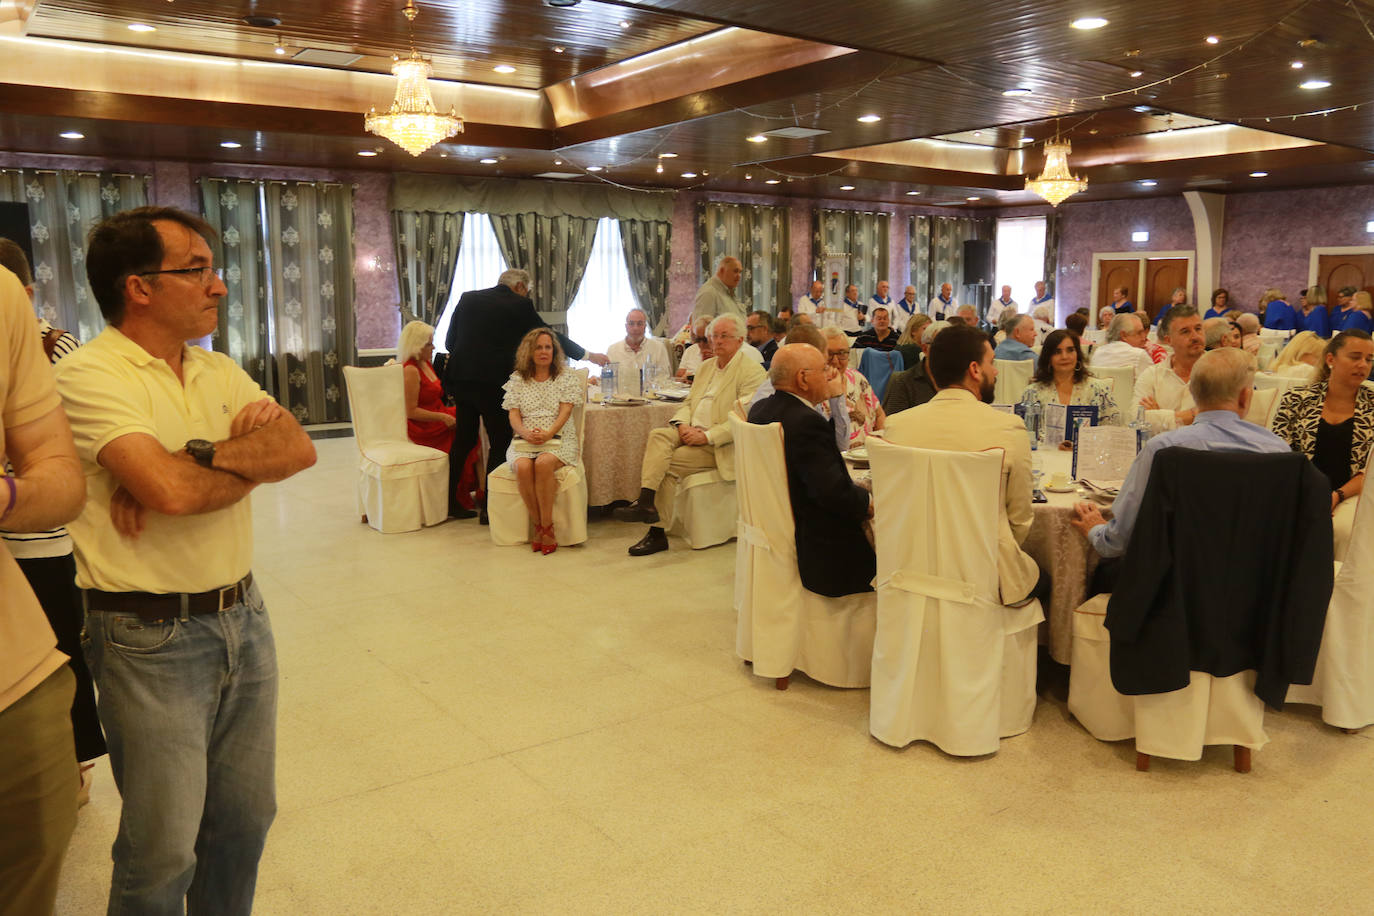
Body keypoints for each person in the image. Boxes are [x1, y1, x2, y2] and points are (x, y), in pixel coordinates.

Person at [54, 206, 318, 914]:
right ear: (138, 287)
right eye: (197, 268)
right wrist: (223, 466)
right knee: (163, 845)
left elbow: (297, 450)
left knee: (243, 821)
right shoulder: (89, 374)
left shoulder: (217, 368)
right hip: (146, 637)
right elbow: (168, 494)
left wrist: (192, 456)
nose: (218, 286)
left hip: (244, 617)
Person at [0, 240, 105, 809]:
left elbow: (73, 441)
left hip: (41, 538)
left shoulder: (56, 346)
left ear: (25, 294)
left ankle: (75, 761)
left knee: (59, 654)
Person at [0, 264, 87, 916]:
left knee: (36, 854)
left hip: (18, 669)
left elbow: (63, 476)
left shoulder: (5, 302)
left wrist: (8, 491)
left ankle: (83, 764)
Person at [1072, 348, 1289, 559]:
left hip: (1172, 586)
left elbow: (1118, 542)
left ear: (1193, 393)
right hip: (1255, 584)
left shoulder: (1163, 450)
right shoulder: (1278, 451)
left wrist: (1096, 529)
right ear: (1245, 397)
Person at [883, 324, 1043, 606]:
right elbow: (1020, 519)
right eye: (991, 363)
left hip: (909, 570)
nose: (995, 371)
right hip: (984, 576)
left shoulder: (896, 427)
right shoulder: (1008, 429)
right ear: (975, 369)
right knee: (1049, 577)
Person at [444, 268, 607, 521]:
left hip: (462, 380)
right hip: (492, 383)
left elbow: (449, 342)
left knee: (463, 441)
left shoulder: (468, 298)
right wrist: (588, 355)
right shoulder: (520, 305)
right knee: (498, 442)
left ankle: (449, 504)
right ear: (520, 287)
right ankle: (489, 509)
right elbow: (550, 337)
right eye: (527, 290)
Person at [614, 315, 766, 556]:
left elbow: (743, 418)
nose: (716, 342)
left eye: (723, 336)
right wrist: (682, 425)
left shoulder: (751, 372)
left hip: (719, 445)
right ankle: (646, 501)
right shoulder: (706, 367)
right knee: (658, 435)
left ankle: (656, 532)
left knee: (668, 464)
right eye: (713, 336)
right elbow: (688, 402)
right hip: (690, 430)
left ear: (740, 340)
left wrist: (707, 437)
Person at [748, 344, 875, 597]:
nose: (831, 373)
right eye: (824, 368)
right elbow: (834, 495)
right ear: (803, 378)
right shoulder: (806, 422)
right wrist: (869, 502)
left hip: (776, 527)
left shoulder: (760, 410)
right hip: (820, 548)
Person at [1270, 330, 1373, 558]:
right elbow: (1279, 451)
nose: (1363, 365)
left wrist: (1336, 496)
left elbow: (1371, 469)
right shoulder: (1297, 398)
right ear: (1330, 359)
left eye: (1369, 359)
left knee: (1345, 531)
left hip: (1354, 493)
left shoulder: (1373, 404)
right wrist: (1311, 493)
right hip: (1300, 486)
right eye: (1355, 357)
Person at [503, 328, 584, 555]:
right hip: (525, 438)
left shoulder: (565, 377)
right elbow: (513, 414)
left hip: (559, 436)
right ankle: (538, 524)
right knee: (523, 466)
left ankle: (547, 527)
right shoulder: (518, 379)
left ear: (554, 351)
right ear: (529, 351)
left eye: (548, 347)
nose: (544, 351)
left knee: (543, 463)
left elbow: (566, 412)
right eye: (538, 347)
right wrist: (525, 433)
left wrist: (548, 433)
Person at [744, 324, 850, 452]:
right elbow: (839, 449)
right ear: (803, 373)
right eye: (824, 367)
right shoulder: (807, 419)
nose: (830, 369)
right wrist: (834, 397)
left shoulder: (760, 405)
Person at [1019, 330, 1120, 444]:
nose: (1064, 356)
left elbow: (1113, 430)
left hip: (1088, 456)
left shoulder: (1098, 389)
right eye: (1057, 352)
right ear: (1048, 358)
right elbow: (1025, 435)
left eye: (1070, 350)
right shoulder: (1032, 392)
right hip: (1045, 457)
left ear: (1078, 354)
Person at [1135, 305, 1205, 432]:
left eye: (1198, 329)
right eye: (1185, 331)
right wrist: (1193, 415)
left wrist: (1159, 415)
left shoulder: (1222, 372)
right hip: (1161, 450)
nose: (1195, 336)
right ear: (1168, 340)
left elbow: (1223, 420)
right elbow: (1137, 419)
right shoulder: (1152, 375)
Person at [398, 320, 457, 451]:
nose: (434, 348)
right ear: (417, 346)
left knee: (470, 416)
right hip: (424, 426)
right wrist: (443, 417)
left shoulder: (425, 363)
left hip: (438, 413)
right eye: (429, 344)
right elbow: (410, 411)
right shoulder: (411, 370)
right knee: (468, 430)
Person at [822, 325, 885, 445]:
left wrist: (879, 443)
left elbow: (879, 413)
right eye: (829, 354)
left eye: (841, 353)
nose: (835, 361)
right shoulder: (815, 389)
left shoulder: (857, 378)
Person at [883, 319, 946, 415]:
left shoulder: (962, 381)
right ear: (925, 349)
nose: (949, 351)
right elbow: (892, 424)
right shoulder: (902, 382)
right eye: (941, 346)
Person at [1090, 312, 1154, 381]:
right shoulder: (1138, 355)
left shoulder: (1098, 352)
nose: (1144, 338)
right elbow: (1155, 385)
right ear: (1124, 335)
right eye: (1139, 333)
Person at [607, 307, 670, 376]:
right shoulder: (613, 350)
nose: (635, 328)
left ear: (645, 327)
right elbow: (608, 380)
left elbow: (665, 377)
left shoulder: (659, 348)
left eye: (639, 324)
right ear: (626, 327)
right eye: (631, 323)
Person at [690, 255, 746, 325]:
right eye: (735, 271)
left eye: (740, 272)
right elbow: (699, 329)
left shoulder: (728, 292)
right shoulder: (709, 292)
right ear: (722, 271)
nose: (739, 276)